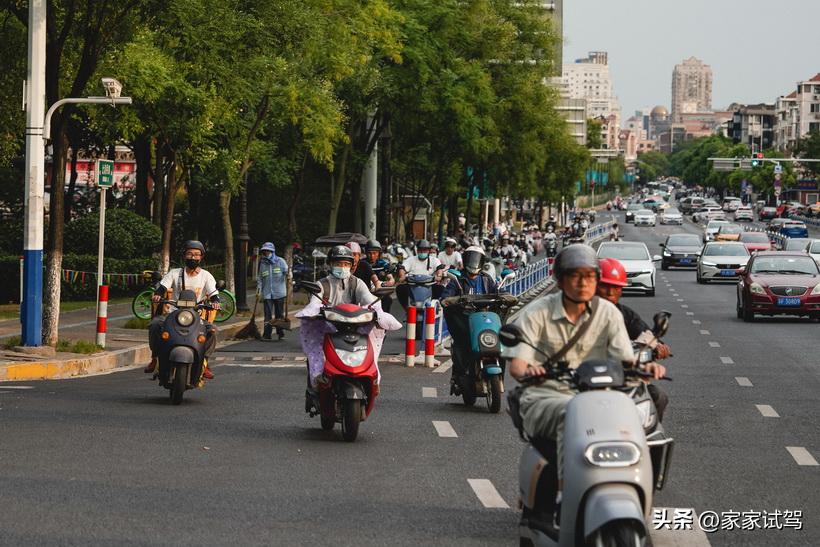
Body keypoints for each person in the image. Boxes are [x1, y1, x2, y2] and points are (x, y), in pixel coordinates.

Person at [503, 245, 666, 524]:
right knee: (571, 413)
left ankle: (638, 491)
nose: (583, 283)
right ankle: (567, 494)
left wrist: (646, 367)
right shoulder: (536, 313)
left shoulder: (610, 314)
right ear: (559, 280)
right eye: (575, 276)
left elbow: (625, 362)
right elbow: (517, 368)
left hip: (601, 396)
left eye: (590, 277)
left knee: (637, 416)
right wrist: (534, 371)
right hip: (547, 395)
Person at [296, 245, 400, 397]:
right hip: (327, 327)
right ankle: (316, 381)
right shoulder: (322, 284)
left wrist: (377, 311)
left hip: (354, 326)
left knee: (372, 337)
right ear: (330, 264)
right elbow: (314, 303)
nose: (342, 267)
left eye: (346, 264)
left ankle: (372, 378)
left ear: (352, 266)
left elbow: (369, 300)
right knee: (315, 351)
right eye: (338, 263)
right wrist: (312, 311)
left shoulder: (357, 283)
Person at [596, 258, 671, 420]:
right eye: (605, 286)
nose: (610, 292)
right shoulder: (579, 312)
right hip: (581, 378)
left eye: (616, 287)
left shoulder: (625, 314)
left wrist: (657, 346)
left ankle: (647, 442)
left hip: (620, 377)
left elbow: (644, 334)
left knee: (657, 397)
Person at [145, 240, 221, 379]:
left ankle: (205, 362)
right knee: (155, 325)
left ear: (201, 257)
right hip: (173, 313)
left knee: (212, 331)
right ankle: (155, 358)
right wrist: (158, 295)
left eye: (197, 254)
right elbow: (162, 287)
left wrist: (216, 302)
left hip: (197, 315)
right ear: (184, 256)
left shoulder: (206, 276)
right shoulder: (174, 273)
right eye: (190, 254)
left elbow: (214, 294)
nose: (193, 257)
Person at [440, 246, 499, 390]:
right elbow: (446, 296)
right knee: (462, 344)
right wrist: (449, 299)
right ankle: (460, 374)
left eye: (477, 259)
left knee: (497, 342)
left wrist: (505, 296)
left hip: (484, 320)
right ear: (465, 259)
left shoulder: (486, 279)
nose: (474, 263)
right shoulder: (458, 279)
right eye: (471, 258)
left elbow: (497, 292)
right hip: (464, 320)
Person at [396, 239, 444, 309]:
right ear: (417, 250)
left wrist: (439, 276)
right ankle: (407, 309)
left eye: (425, 250)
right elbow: (402, 268)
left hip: (429, 286)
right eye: (420, 250)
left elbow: (439, 269)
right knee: (400, 288)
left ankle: (434, 309)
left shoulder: (434, 260)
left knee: (441, 289)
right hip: (412, 286)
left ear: (428, 251)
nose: (422, 252)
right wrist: (402, 276)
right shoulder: (411, 259)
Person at [257, 241, 289, 340]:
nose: (266, 252)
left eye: (268, 251)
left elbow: (287, 271)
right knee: (268, 315)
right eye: (265, 251)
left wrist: (289, 275)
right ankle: (267, 334)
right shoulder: (262, 263)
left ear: (272, 251)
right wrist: (258, 290)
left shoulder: (280, 261)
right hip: (267, 293)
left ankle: (280, 332)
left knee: (279, 314)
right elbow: (260, 278)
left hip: (279, 293)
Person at [365, 239, 394, 313]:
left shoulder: (383, 264)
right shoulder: (362, 263)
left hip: (379, 292)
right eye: (369, 253)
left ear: (379, 253)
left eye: (374, 253)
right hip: (365, 292)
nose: (372, 256)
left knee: (388, 300)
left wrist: (390, 282)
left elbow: (390, 278)